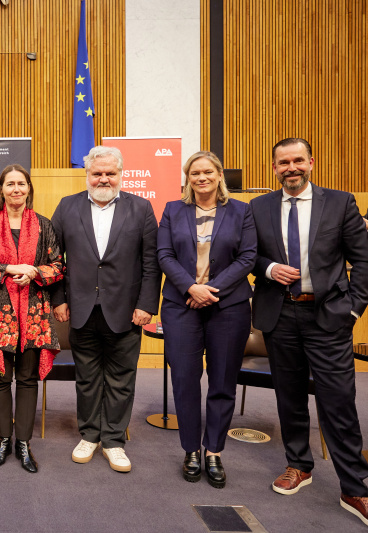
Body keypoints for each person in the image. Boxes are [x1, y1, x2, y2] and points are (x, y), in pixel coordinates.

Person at [251, 137, 368, 526]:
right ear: (274, 168)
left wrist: (353, 309)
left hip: (328, 317)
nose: (291, 168)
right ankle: (299, 465)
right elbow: (250, 256)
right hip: (280, 314)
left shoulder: (340, 203)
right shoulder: (259, 207)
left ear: (311, 162)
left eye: (298, 160)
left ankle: (355, 486)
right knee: (289, 396)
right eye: (283, 162)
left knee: (338, 400)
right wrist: (269, 269)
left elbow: (363, 260)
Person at [51, 145, 160, 473]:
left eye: (110, 173)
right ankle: (89, 435)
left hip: (126, 311)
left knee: (121, 378)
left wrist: (146, 305)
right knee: (86, 378)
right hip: (81, 309)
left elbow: (151, 262)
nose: (103, 179)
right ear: (87, 174)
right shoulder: (67, 206)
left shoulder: (141, 208)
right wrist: (58, 299)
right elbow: (54, 259)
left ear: (120, 174)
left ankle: (113, 440)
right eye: (97, 173)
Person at [157, 151, 256, 488]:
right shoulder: (173, 210)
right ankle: (191, 450)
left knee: (223, 381)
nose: (201, 178)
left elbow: (248, 257)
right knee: (184, 380)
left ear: (219, 175)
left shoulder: (241, 210)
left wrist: (209, 290)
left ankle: (213, 450)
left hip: (228, 307)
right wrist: (191, 287)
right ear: (188, 178)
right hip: (181, 304)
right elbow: (164, 255)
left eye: (208, 172)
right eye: (194, 173)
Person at [0, 164, 64, 473]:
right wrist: (9, 269)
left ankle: (23, 442)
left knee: (27, 378)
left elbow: (58, 266)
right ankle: (3, 439)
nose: (16, 189)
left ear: (28, 188)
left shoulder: (44, 225)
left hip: (34, 313)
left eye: (21, 183)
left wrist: (33, 272)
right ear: (1, 190)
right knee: (0, 377)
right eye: (10, 184)